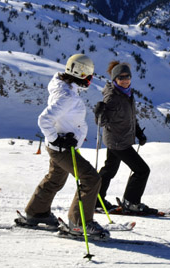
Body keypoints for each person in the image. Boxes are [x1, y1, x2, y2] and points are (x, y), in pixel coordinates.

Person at [21, 54, 108, 238]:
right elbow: (44, 119)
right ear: (82, 74)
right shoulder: (67, 95)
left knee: (55, 179)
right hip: (61, 148)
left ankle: (36, 213)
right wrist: (56, 139)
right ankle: (78, 223)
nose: (91, 80)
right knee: (91, 179)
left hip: (61, 146)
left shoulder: (66, 89)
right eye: (90, 76)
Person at [95, 60, 154, 215]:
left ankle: (95, 199)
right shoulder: (113, 97)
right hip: (118, 142)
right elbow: (102, 121)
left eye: (127, 76)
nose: (125, 79)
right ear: (115, 79)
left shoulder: (126, 93)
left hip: (120, 139)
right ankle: (131, 202)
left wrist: (138, 132)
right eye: (121, 77)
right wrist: (99, 113)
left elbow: (130, 117)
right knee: (142, 170)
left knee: (109, 170)